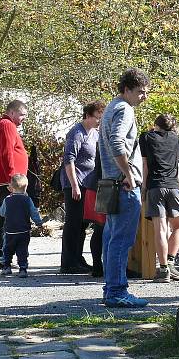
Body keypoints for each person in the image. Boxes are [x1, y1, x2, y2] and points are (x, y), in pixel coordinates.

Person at [98, 68, 150, 308]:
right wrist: (129, 174)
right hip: (123, 185)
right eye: (140, 92)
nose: (144, 97)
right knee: (121, 240)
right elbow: (117, 141)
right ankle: (117, 291)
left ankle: (111, 288)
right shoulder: (124, 109)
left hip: (112, 183)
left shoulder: (110, 107)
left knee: (111, 238)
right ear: (127, 89)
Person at [140, 113, 179, 283]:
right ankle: (171, 261)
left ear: (156, 125)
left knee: (160, 229)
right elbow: (176, 166)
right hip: (173, 186)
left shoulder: (146, 137)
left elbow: (145, 165)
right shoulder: (176, 139)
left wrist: (144, 187)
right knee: (178, 226)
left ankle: (163, 269)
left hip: (155, 186)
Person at [59, 101, 106, 274]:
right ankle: (69, 261)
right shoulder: (76, 133)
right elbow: (69, 160)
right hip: (75, 183)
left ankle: (78, 258)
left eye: (101, 118)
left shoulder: (95, 133)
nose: (99, 121)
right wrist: (74, 185)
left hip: (89, 183)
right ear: (87, 115)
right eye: (97, 118)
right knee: (73, 223)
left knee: (83, 224)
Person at [0, 100, 29, 269]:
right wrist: (13, 181)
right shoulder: (7, 125)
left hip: (1, 180)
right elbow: (7, 154)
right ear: (12, 113)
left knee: (5, 219)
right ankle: (2, 256)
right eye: (22, 114)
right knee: (8, 221)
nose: (23, 118)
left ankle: (2, 256)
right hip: (6, 182)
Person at [0, 174, 44, 278]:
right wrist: (39, 222)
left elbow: (2, 212)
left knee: (7, 249)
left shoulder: (7, 200)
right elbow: (34, 213)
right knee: (22, 250)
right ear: (26, 187)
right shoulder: (27, 200)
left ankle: (6, 267)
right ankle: (23, 268)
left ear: (12, 188)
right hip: (24, 231)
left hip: (10, 231)